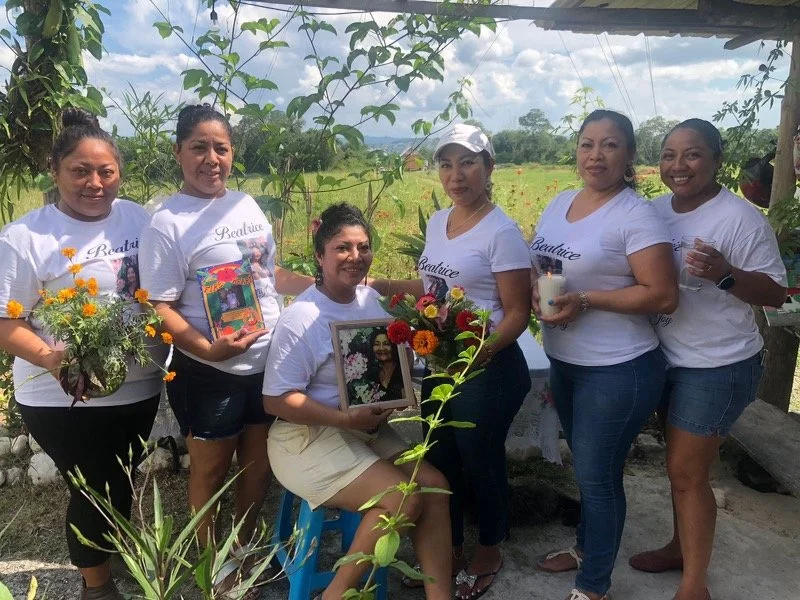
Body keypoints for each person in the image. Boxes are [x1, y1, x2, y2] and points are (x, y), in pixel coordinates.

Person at [138, 104, 313, 597]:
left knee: (258, 465)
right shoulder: (167, 223)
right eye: (199, 147)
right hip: (209, 370)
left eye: (221, 147)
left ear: (232, 153)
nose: (211, 158)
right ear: (179, 152)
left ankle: (244, 548)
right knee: (212, 469)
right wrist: (207, 350)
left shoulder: (246, 205)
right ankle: (214, 564)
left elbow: (268, 275)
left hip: (269, 365)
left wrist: (317, 286)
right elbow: (160, 307)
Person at [0, 108, 167, 600]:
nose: (95, 183)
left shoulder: (139, 217)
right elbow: (7, 322)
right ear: (55, 172)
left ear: (119, 173)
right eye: (80, 171)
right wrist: (55, 359)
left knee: (117, 479)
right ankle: (96, 588)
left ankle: (103, 558)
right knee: (93, 486)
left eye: (106, 171)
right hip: (60, 393)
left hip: (139, 385)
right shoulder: (27, 237)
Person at [369, 123, 532, 599]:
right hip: (442, 363)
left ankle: (489, 548)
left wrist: (478, 354)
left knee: (481, 462)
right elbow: (436, 288)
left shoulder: (502, 233)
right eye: (446, 164)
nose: (456, 175)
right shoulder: (440, 222)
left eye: (468, 163)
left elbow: (518, 312)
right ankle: (449, 545)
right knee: (440, 459)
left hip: (489, 368)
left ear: (488, 168)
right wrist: (387, 287)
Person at [628, 119, 786, 600]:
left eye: (693, 154)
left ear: (718, 160)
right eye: (669, 155)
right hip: (667, 359)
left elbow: (776, 293)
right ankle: (680, 548)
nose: (679, 166)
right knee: (681, 470)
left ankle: (694, 585)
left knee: (687, 472)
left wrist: (726, 274)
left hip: (719, 365)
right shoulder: (652, 212)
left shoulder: (740, 219)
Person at [263, 203, 452, 600]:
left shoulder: (372, 303)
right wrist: (343, 419)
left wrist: (394, 393)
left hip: (362, 430)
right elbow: (276, 401)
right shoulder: (302, 317)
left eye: (363, 247)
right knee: (401, 498)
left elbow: (385, 366)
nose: (355, 257)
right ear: (319, 256)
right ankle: (335, 595)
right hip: (305, 438)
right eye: (342, 248)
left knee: (434, 485)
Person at [530, 109, 678, 600]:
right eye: (587, 144)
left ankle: (593, 586)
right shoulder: (560, 203)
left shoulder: (636, 214)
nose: (596, 155)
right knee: (590, 469)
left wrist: (588, 301)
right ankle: (587, 549)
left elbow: (662, 294)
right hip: (568, 361)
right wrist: (538, 294)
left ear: (630, 155)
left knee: (597, 477)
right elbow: (544, 266)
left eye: (610, 145)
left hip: (618, 368)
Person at [366, 329, 404, 401]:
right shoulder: (370, 373)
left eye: (386, 344)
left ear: (393, 346)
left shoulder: (402, 370)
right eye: (376, 344)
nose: (381, 348)